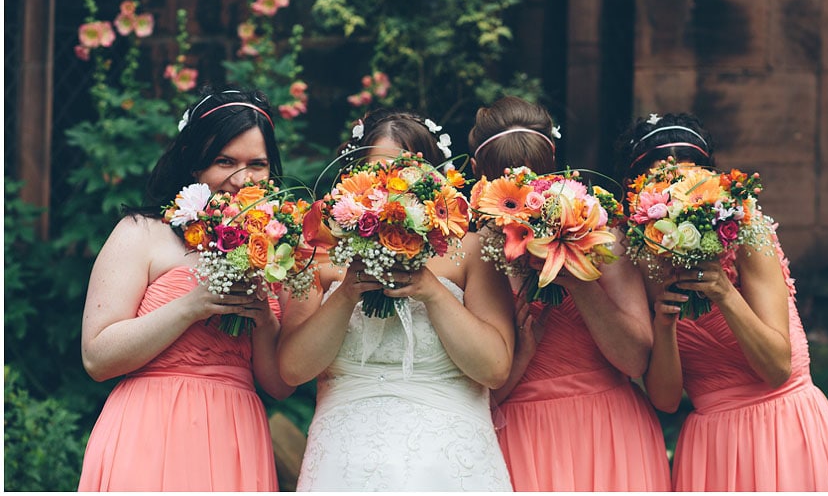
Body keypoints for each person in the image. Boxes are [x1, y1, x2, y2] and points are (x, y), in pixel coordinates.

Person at [617, 111, 828, 491]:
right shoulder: (641, 263)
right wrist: (664, 328)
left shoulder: (747, 231)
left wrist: (724, 292)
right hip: (712, 445)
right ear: (640, 196)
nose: (678, 190)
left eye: (690, 177)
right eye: (663, 182)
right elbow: (664, 401)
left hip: (784, 427)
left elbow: (778, 367)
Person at [277, 109, 516, 491]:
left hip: (449, 461)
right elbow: (292, 370)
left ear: (435, 183)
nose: (393, 187)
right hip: (346, 460)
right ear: (354, 180)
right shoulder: (318, 252)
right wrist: (350, 291)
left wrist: (430, 290)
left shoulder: (471, 250)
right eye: (379, 174)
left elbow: (494, 368)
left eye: (408, 174)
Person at [78, 86, 295, 491]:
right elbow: (96, 358)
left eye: (257, 164)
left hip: (236, 433)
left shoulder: (277, 248)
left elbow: (281, 387)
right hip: (148, 428)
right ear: (195, 166)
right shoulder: (142, 233)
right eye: (224, 161)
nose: (241, 178)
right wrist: (192, 306)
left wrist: (264, 319)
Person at [467, 96, 671, 491]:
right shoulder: (477, 258)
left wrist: (576, 278)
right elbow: (476, 396)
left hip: (610, 434)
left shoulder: (599, 235)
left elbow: (635, 361)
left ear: (476, 172)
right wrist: (522, 355)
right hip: (519, 439)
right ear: (556, 158)